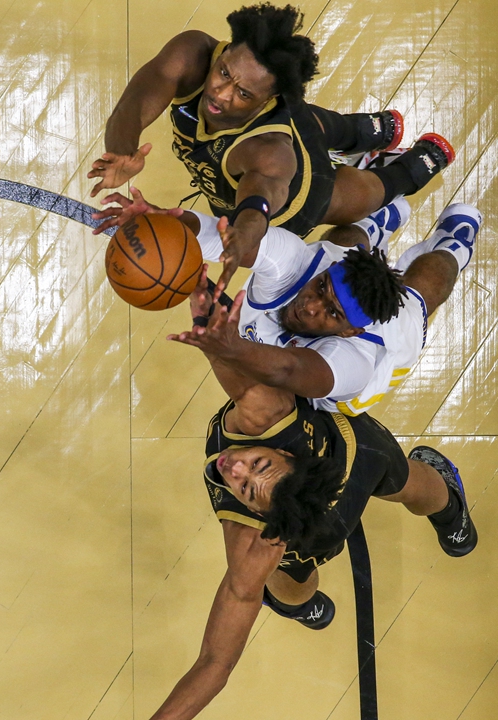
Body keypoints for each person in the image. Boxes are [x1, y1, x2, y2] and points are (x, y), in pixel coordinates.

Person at [144, 283, 476, 719]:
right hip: (352, 474)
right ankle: (453, 518)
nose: (235, 468)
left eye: (249, 481)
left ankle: (303, 607)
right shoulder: (265, 414)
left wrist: (197, 290)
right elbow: (223, 346)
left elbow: (216, 664)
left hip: (348, 474)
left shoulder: (253, 545)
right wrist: (202, 305)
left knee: (287, 578)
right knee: (410, 483)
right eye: (254, 472)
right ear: (283, 453)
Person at [87, 3, 455, 290]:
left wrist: (241, 239)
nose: (221, 93)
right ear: (225, 51)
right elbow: (135, 101)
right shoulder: (193, 53)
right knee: (320, 121)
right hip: (263, 145)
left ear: (269, 100)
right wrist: (121, 149)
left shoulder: (268, 150)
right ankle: (369, 130)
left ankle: (407, 171)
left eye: (243, 93)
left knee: (364, 194)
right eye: (225, 73)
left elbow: (256, 205)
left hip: (296, 199)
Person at [96, 187, 482, 416]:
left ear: (348, 329)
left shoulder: (355, 360)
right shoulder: (298, 263)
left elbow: (286, 371)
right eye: (319, 289)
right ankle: (374, 225)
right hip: (337, 272)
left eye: (330, 312)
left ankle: (455, 244)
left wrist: (232, 349)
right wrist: (169, 222)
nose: (310, 305)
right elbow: (227, 239)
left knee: (422, 288)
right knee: (343, 243)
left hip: (374, 361)